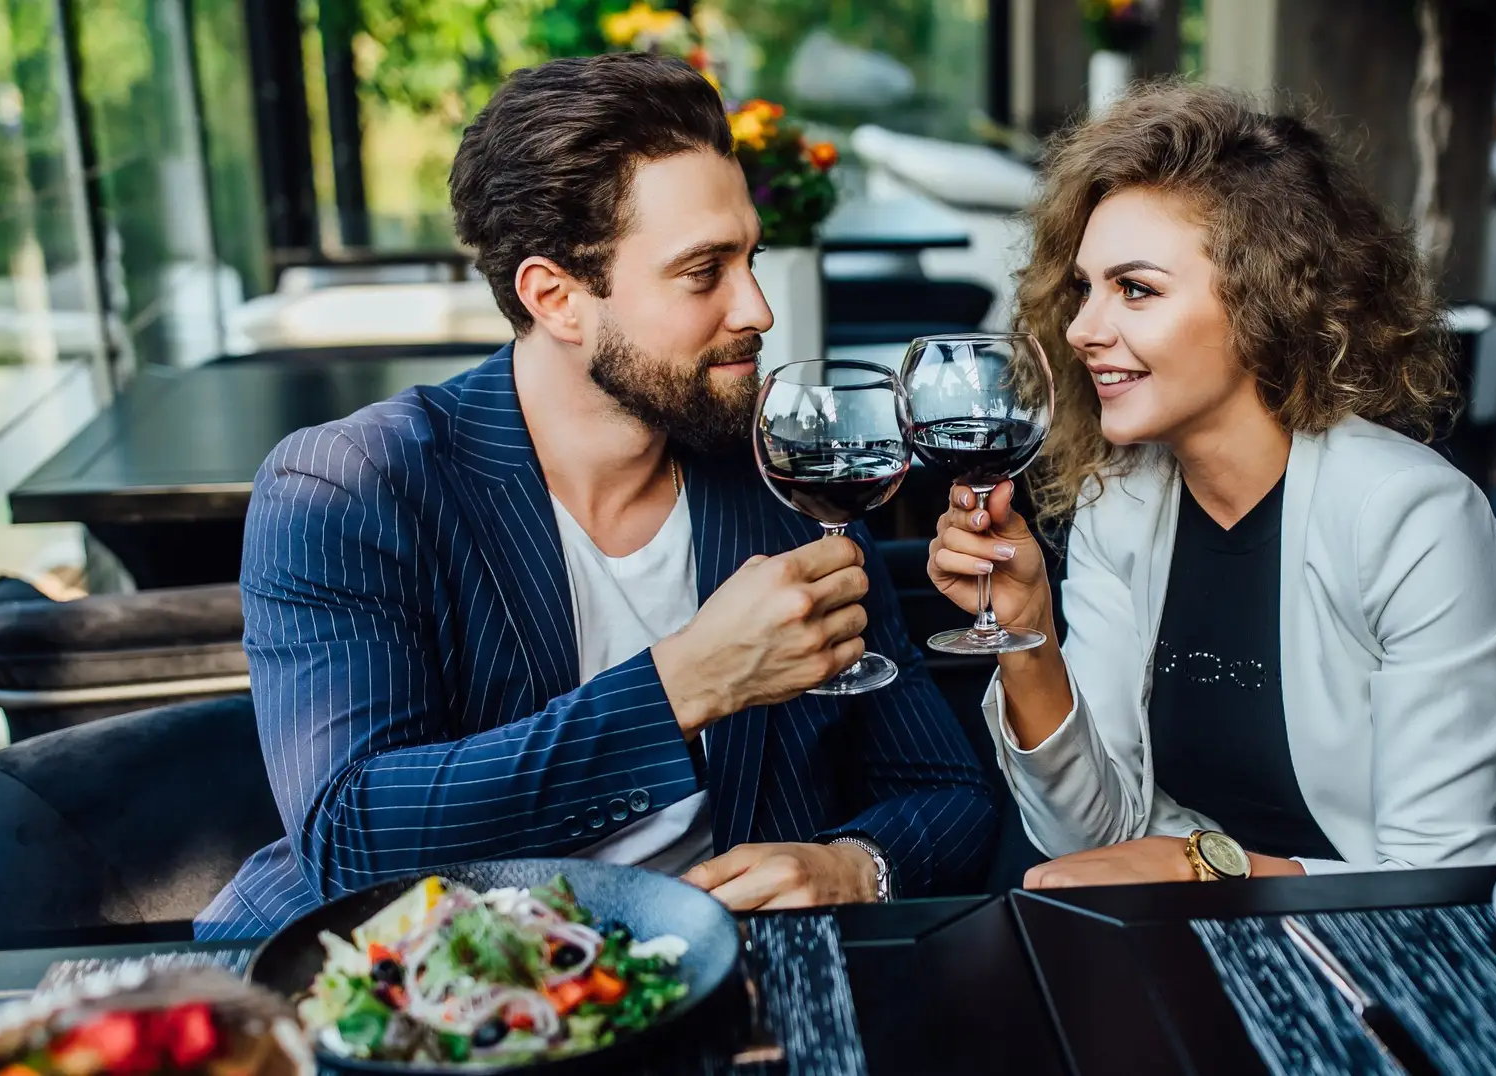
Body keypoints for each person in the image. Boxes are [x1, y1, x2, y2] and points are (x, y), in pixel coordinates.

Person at [195, 54, 993, 939]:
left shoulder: (784, 471)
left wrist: (856, 866)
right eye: (704, 272)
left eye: (750, 259)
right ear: (556, 297)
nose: (758, 308)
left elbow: (944, 791)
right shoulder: (351, 485)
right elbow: (355, 839)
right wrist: (686, 683)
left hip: (705, 976)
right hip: (426, 988)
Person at [927, 84, 1496, 887]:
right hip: (1215, 938)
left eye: (1134, 288)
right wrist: (1029, 637)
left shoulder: (1410, 517)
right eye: (1085, 288)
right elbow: (1084, 834)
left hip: (1452, 959)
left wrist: (1203, 870)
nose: (1080, 328)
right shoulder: (1124, 506)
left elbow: (1439, 882)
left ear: (1264, 300)